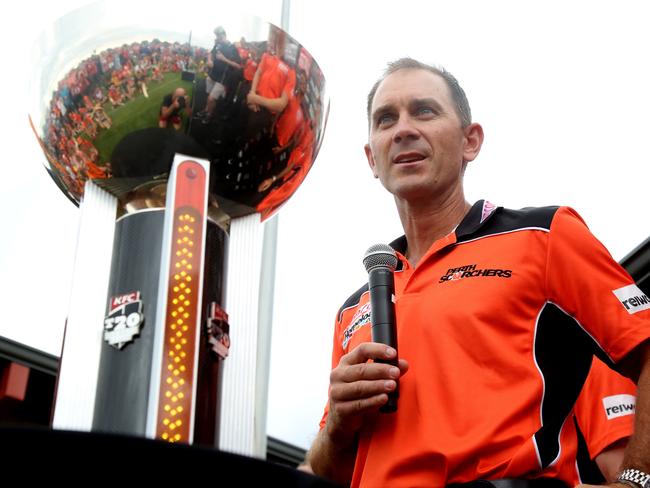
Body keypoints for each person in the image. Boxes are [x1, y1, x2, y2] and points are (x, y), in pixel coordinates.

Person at [306, 58, 650, 487]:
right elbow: (329, 470)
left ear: (471, 141)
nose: (403, 129)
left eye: (425, 111)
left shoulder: (544, 236)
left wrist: (637, 480)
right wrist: (337, 426)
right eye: (386, 119)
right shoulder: (351, 310)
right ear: (371, 158)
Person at [200, 26, 241, 122]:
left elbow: (238, 66)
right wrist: (210, 60)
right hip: (212, 75)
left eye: (218, 36)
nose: (217, 38)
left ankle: (209, 115)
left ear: (224, 35)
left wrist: (224, 59)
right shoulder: (218, 44)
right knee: (209, 96)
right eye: (216, 36)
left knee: (211, 98)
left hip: (223, 78)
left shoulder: (232, 48)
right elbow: (211, 53)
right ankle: (206, 110)